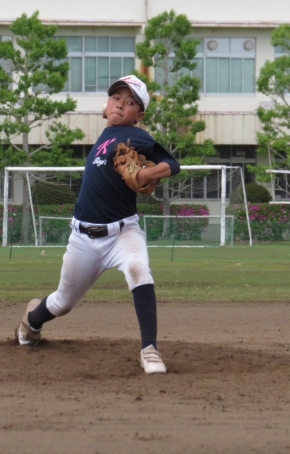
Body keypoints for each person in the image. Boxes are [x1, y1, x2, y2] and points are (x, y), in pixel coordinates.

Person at [17, 75, 180, 375]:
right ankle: (31, 321)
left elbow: (172, 165)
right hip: (83, 238)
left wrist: (145, 175)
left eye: (130, 102)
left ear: (139, 115)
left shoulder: (135, 136)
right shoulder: (105, 138)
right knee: (63, 302)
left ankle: (149, 349)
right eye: (116, 98)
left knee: (138, 269)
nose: (120, 105)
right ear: (105, 107)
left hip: (122, 232)